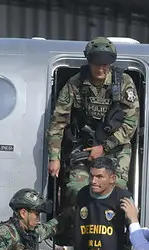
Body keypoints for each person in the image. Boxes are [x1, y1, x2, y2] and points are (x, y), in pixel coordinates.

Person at [46, 36, 140, 206]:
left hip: (115, 148)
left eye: (105, 64)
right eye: (97, 64)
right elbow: (58, 121)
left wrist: (104, 147)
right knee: (76, 189)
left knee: (116, 193)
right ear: (89, 62)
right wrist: (55, 158)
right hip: (84, 147)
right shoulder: (75, 84)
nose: (101, 69)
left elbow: (130, 124)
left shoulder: (124, 83)